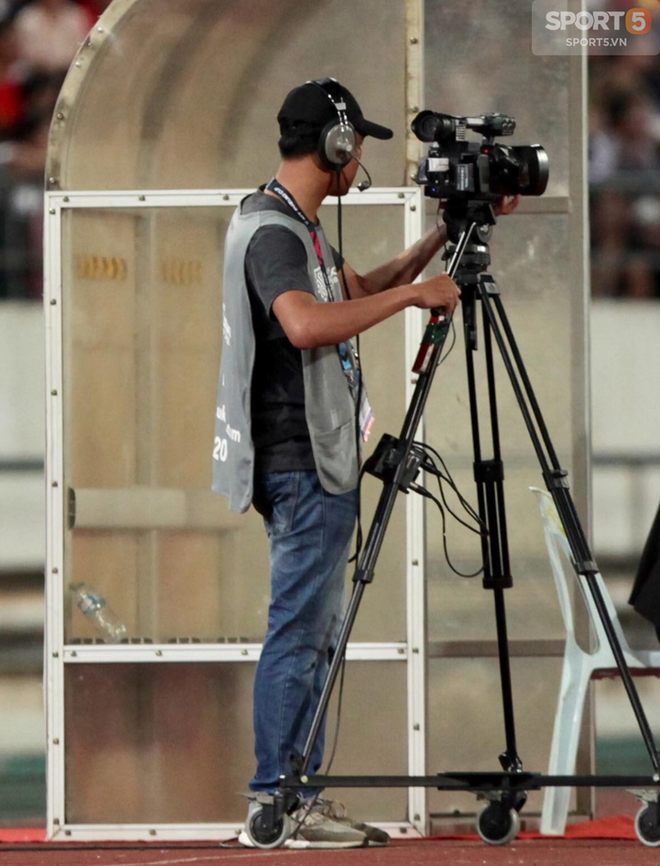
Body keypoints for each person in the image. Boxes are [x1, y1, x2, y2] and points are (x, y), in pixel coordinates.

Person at [212, 78, 517, 848]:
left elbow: (358, 290)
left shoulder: (297, 226)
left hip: (318, 457)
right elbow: (310, 324)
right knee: (299, 632)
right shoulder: (274, 234)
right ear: (337, 145)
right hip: (302, 461)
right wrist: (417, 299)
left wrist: (435, 246)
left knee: (310, 634)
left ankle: (294, 792)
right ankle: (276, 797)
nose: (361, 161)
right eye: (358, 146)